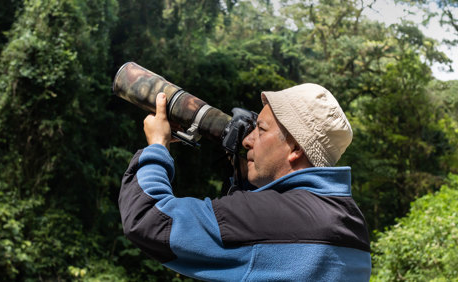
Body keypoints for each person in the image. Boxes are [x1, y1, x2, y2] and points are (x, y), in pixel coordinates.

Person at [118, 83, 371, 281]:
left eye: (260, 130)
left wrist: (157, 146)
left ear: (294, 148)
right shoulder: (353, 225)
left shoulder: (268, 218)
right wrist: (245, 176)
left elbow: (148, 219)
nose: (248, 141)